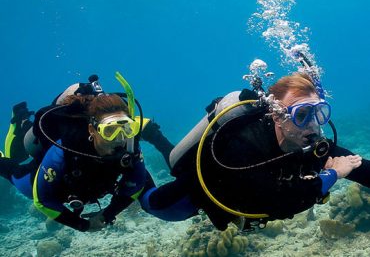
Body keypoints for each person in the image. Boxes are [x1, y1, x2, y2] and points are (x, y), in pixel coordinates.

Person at [139, 71, 368, 231]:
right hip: (200, 190)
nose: (312, 125)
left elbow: (360, 167)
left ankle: (153, 140)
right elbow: (280, 203)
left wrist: (340, 170)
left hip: (256, 198)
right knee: (152, 204)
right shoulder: (245, 146)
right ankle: (141, 155)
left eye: (319, 113)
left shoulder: (312, 143)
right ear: (278, 116)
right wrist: (333, 174)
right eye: (301, 114)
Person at [0, 74, 174, 232]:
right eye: (109, 131)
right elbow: (42, 199)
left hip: (94, 186)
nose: (119, 139)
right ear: (92, 129)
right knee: (18, 177)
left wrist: (107, 214)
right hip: (60, 180)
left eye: (127, 129)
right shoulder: (67, 147)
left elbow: (136, 184)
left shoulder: (129, 144)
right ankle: (22, 123)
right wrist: (82, 225)